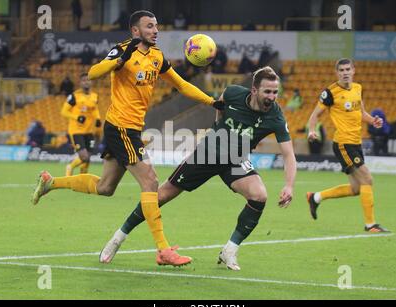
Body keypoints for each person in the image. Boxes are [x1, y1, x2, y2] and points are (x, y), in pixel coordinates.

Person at [31, 10, 224, 267]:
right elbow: (94, 72)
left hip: (128, 129)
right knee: (151, 180)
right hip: (121, 127)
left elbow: (181, 85)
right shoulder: (122, 50)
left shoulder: (156, 56)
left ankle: (51, 182)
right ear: (135, 31)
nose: (155, 30)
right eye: (149, 26)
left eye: (156, 26)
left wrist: (212, 101)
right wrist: (118, 60)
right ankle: (163, 250)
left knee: (106, 187)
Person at [99, 67, 297, 271]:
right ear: (254, 90)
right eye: (268, 92)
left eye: (275, 92)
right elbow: (220, 105)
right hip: (208, 152)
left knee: (259, 195)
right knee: (161, 196)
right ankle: (118, 238)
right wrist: (217, 126)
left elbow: (289, 154)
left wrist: (289, 186)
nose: (272, 97)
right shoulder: (233, 93)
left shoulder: (276, 117)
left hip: (235, 159)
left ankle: (230, 250)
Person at [306, 58, 389, 233]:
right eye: (341, 70)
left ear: (353, 71)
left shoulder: (358, 88)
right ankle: (371, 225)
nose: (345, 73)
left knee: (356, 188)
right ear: (337, 73)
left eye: (347, 69)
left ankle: (316, 197)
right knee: (367, 178)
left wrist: (373, 120)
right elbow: (315, 114)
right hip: (344, 144)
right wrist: (311, 130)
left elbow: (361, 113)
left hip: (355, 143)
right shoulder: (330, 92)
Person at [60, 73, 101, 176]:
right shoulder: (74, 96)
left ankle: (82, 179)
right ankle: (70, 167)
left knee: (88, 158)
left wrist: (98, 118)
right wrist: (77, 117)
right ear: (80, 83)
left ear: (91, 82)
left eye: (88, 80)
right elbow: (64, 111)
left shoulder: (95, 96)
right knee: (84, 157)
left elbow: (94, 109)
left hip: (89, 131)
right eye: (84, 80)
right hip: (76, 131)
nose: (86, 82)